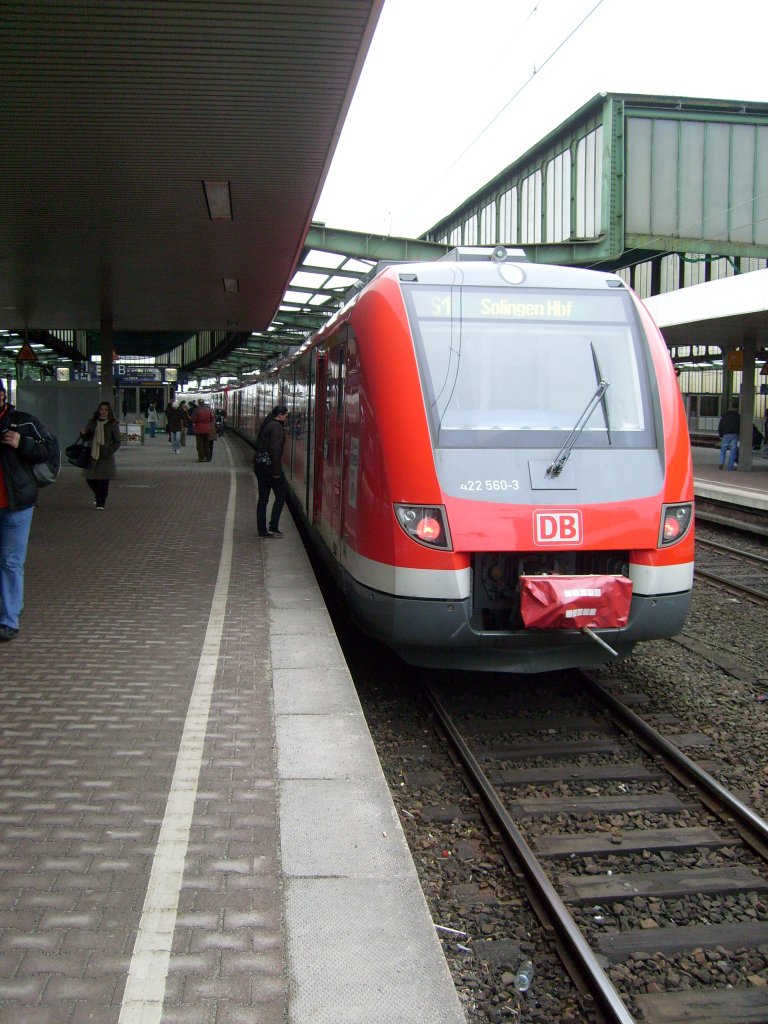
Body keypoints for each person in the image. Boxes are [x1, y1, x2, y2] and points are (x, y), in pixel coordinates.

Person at [0, 384, 59, 640]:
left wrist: (22, 443)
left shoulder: (24, 422)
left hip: (17, 504)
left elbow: (48, 449)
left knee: (11, 563)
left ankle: (9, 620)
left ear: (2, 395)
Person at [254, 405, 288, 538]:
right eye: (285, 415)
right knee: (281, 495)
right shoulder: (277, 427)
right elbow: (275, 450)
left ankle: (262, 530)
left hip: (260, 465)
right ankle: (273, 526)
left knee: (263, 499)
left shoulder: (267, 424)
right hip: (270, 467)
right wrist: (277, 472)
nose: (286, 418)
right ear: (280, 415)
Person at [81, 401, 121, 508]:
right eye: (102, 409)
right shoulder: (92, 422)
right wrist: (83, 434)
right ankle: (98, 495)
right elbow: (87, 437)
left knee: (103, 479)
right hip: (93, 453)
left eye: (106, 410)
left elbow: (117, 441)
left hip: (105, 456)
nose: (103, 412)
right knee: (89, 478)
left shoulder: (112, 424)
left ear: (109, 412)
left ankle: (100, 502)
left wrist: (109, 450)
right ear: (99, 411)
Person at [717, 399, 740, 471]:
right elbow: (740, 426)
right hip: (734, 434)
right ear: (737, 408)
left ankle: (721, 463)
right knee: (733, 451)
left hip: (726, 434)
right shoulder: (738, 416)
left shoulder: (725, 415)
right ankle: (730, 467)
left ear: (730, 407)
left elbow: (720, 425)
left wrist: (720, 434)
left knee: (723, 449)